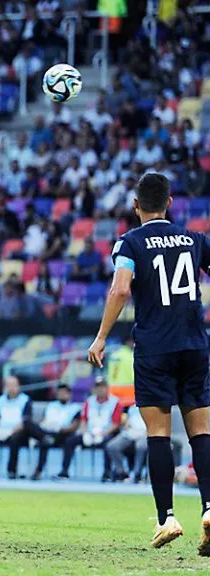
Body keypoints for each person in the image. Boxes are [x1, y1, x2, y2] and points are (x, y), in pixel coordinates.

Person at [88, 172, 210, 552]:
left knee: (158, 433)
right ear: (170, 203)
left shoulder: (130, 243)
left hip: (156, 347)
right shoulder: (195, 240)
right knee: (201, 432)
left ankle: (166, 518)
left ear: (136, 204)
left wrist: (102, 336)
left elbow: (121, 288)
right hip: (195, 344)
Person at [54, 377, 122, 481]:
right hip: (89, 433)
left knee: (109, 444)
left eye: (102, 387)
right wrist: (85, 433)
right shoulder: (89, 401)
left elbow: (116, 423)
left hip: (106, 433)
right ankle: (64, 471)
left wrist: (103, 434)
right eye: (98, 387)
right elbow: (83, 420)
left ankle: (107, 473)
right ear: (94, 389)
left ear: (107, 388)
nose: (100, 389)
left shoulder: (115, 402)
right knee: (70, 441)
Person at [22, 384, 81, 481]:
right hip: (47, 431)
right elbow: (43, 420)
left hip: (62, 433)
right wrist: (44, 425)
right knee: (29, 424)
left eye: (64, 393)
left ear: (69, 394)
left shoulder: (75, 408)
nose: (62, 395)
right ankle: (38, 471)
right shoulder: (51, 405)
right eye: (60, 393)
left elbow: (74, 426)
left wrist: (59, 429)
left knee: (68, 440)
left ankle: (64, 472)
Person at [107, 404, 148, 483]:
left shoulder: (153, 406)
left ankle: (137, 474)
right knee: (112, 446)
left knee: (141, 446)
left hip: (146, 433)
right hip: (131, 432)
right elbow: (127, 424)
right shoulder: (132, 408)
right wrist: (126, 429)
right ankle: (122, 473)